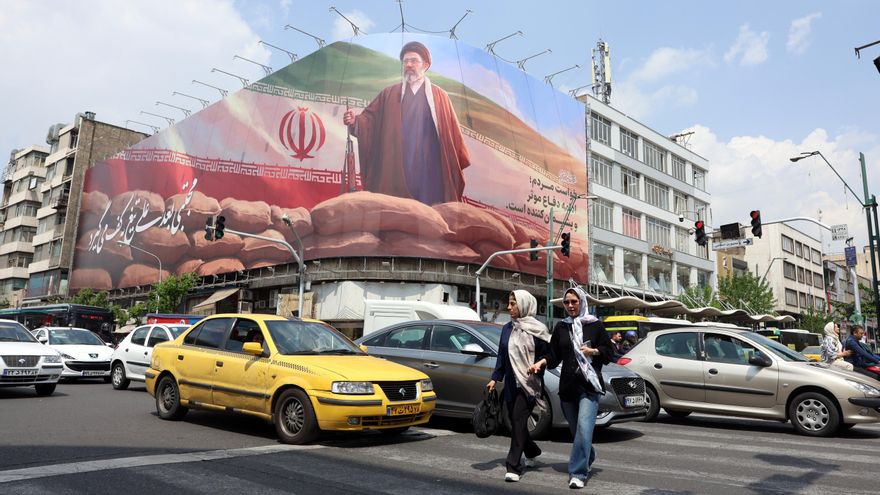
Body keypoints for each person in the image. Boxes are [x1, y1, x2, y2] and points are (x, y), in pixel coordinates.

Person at [343, 41, 470, 206]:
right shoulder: (389, 94)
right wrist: (356, 121)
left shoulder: (440, 97)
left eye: (414, 61)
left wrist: (454, 161)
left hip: (430, 166)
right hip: (398, 162)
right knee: (397, 208)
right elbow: (370, 120)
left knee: (432, 210)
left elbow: (452, 137)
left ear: (425, 65)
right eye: (405, 61)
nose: (409, 65)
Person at [529, 287, 613, 489]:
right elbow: (554, 355)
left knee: (584, 429)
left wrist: (593, 351)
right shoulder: (561, 327)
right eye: (566, 302)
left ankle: (578, 473)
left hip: (589, 386)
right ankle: (588, 454)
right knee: (577, 432)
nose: (570, 306)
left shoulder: (595, 325)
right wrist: (541, 362)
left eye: (574, 301)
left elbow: (609, 353)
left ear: (582, 302)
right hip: (568, 386)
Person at [486, 290, 550, 483]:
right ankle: (532, 450)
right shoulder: (507, 328)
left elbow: (548, 357)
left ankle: (513, 465)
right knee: (515, 423)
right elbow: (501, 356)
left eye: (513, 303)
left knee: (518, 419)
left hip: (530, 384)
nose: (509, 307)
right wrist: (495, 378)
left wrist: (538, 366)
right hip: (511, 385)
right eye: (509, 303)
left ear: (524, 305)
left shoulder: (538, 329)